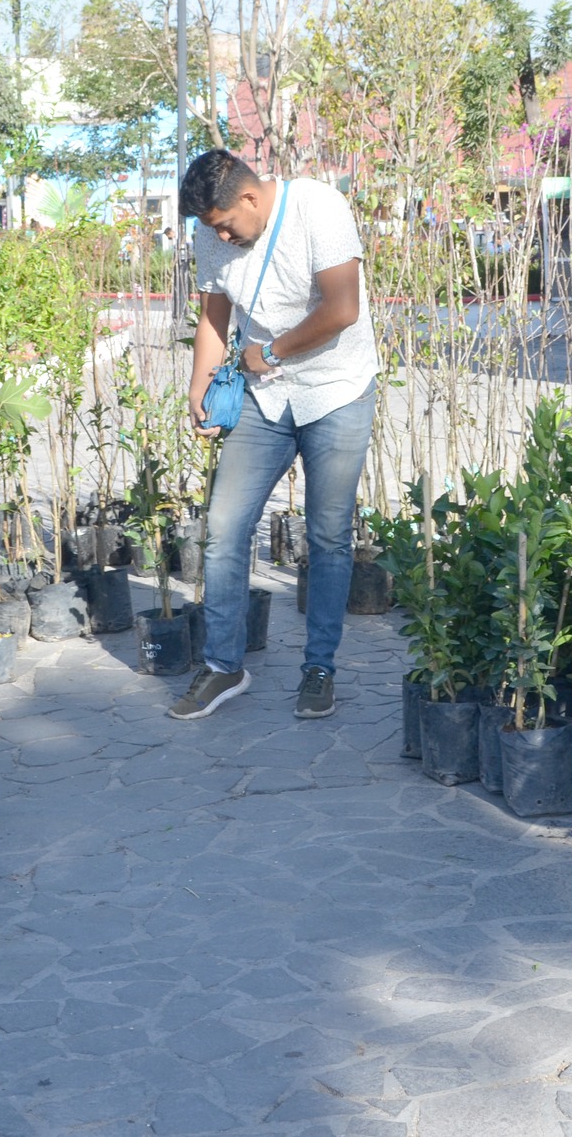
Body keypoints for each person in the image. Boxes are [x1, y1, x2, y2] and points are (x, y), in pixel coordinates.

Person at [172, 150, 376, 722]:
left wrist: (271, 352)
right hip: (266, 397)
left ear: (251, 198)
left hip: (337, 388)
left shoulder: (319, 207)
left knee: (329, 535)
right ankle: (223, 666)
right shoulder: (212, 233)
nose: (220, 238)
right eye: (211, 229)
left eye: (225, 225)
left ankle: (319, 669)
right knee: (223, 526)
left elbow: (343, 307)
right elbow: (215, 313)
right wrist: (200, 385)